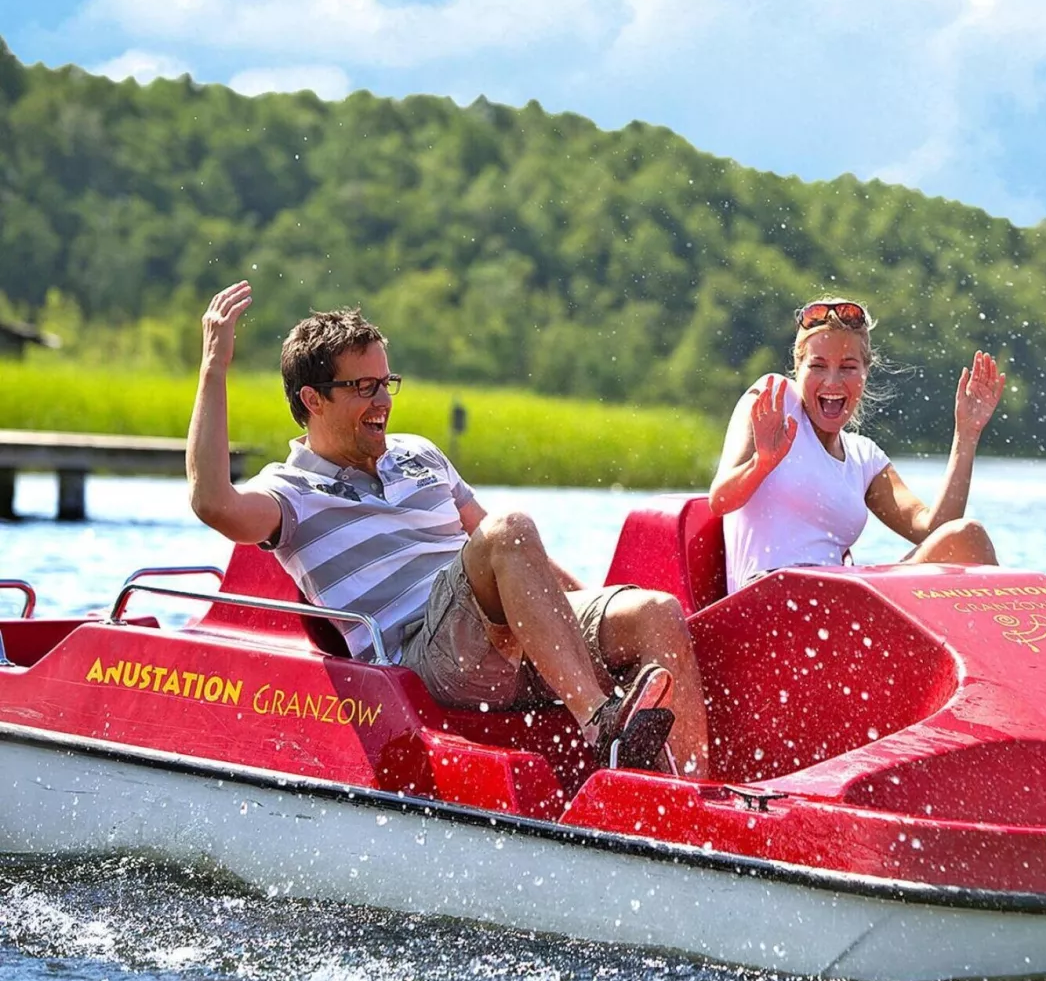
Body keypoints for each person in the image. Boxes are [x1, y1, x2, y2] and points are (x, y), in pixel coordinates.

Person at [184, 281, 709, 775]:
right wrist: (213, 367)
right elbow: (213, 503)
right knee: (509, 530)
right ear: (312, 400)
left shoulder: (420, 454)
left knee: (654, 613)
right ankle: (602, 726)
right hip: (424, 659)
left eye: (386, 383)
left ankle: (690, 805)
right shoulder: (290, 492)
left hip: (504, 633)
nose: (383, 401)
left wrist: (582, 613)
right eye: (363, 387)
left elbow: (515, 560)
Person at [709, 297, 1004, 587]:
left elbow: (934, 530)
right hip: (766, 598)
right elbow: (720, 501)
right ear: (798, 368)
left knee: (966, 536)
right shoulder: (775, 400)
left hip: (835, 601)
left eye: (848, 367)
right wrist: (762, 464)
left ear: (865, 372)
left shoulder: (864, 457)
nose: (833, 381)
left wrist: (967, 435)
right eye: (818, 366)